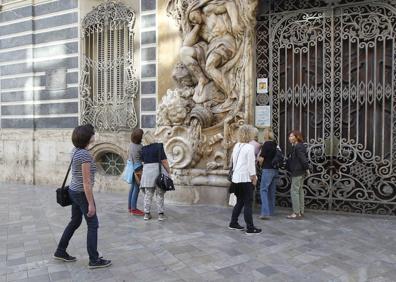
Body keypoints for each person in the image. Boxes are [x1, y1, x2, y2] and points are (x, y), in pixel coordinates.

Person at [54, 124, 111, 269]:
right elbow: (86, 182)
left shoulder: (75, 151)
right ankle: (94, 259)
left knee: (75, 221)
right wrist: (91, 204)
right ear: (88, 137)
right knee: (93, 225)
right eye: (92, 133)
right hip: (81, 193)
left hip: (73, 190)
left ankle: (60, 251)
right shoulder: (84, 155)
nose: (94, 135)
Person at [228, 125, 262, 235]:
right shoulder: (249, 147)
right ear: (250, 134)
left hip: (236, 178)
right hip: (246, 179)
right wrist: (254, 178)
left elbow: (233, 162)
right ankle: (250, 228)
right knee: (248, 203)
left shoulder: (236, 146)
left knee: (240, 202)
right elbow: (251, 165)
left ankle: (233, 223)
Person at [140, 132, 171, 221]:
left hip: (147, 174)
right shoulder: (159, 146)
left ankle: (146, 214)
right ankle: (160, 215)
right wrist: (169, 172)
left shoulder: (143, 149)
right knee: (159, 194)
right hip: (158, 173)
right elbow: (164, 161)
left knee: (148, 195)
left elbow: (143, 162)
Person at [286, 130, 310, 220]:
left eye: (292, 136)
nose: (290, 138)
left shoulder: (298, 147)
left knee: (294, 191)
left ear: (297, 137)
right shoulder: (299, 146)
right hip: (300, 171)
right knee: (299, 191)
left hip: (297, 171)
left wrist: (307, 168)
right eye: (289, 136)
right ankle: (300, 212)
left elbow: (303, 159)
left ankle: (296, 213)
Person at [258, 128, 279, 219]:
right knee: (271, 191)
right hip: (275, 170)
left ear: (265, 135)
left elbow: (261, 159)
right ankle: (271, 211)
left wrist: (259, 163)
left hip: (267, 169)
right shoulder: (275, 144)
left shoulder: (266, 144)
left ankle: (265, 213)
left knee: (263, 190)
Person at [127, 128, 144, 216]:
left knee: (132, 188)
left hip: (131, 167)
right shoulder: (140, 146)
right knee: (136, 188)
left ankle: (130, 207)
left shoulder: (130, 144)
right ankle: (134, 208)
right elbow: (143, 157)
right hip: (137, 168)